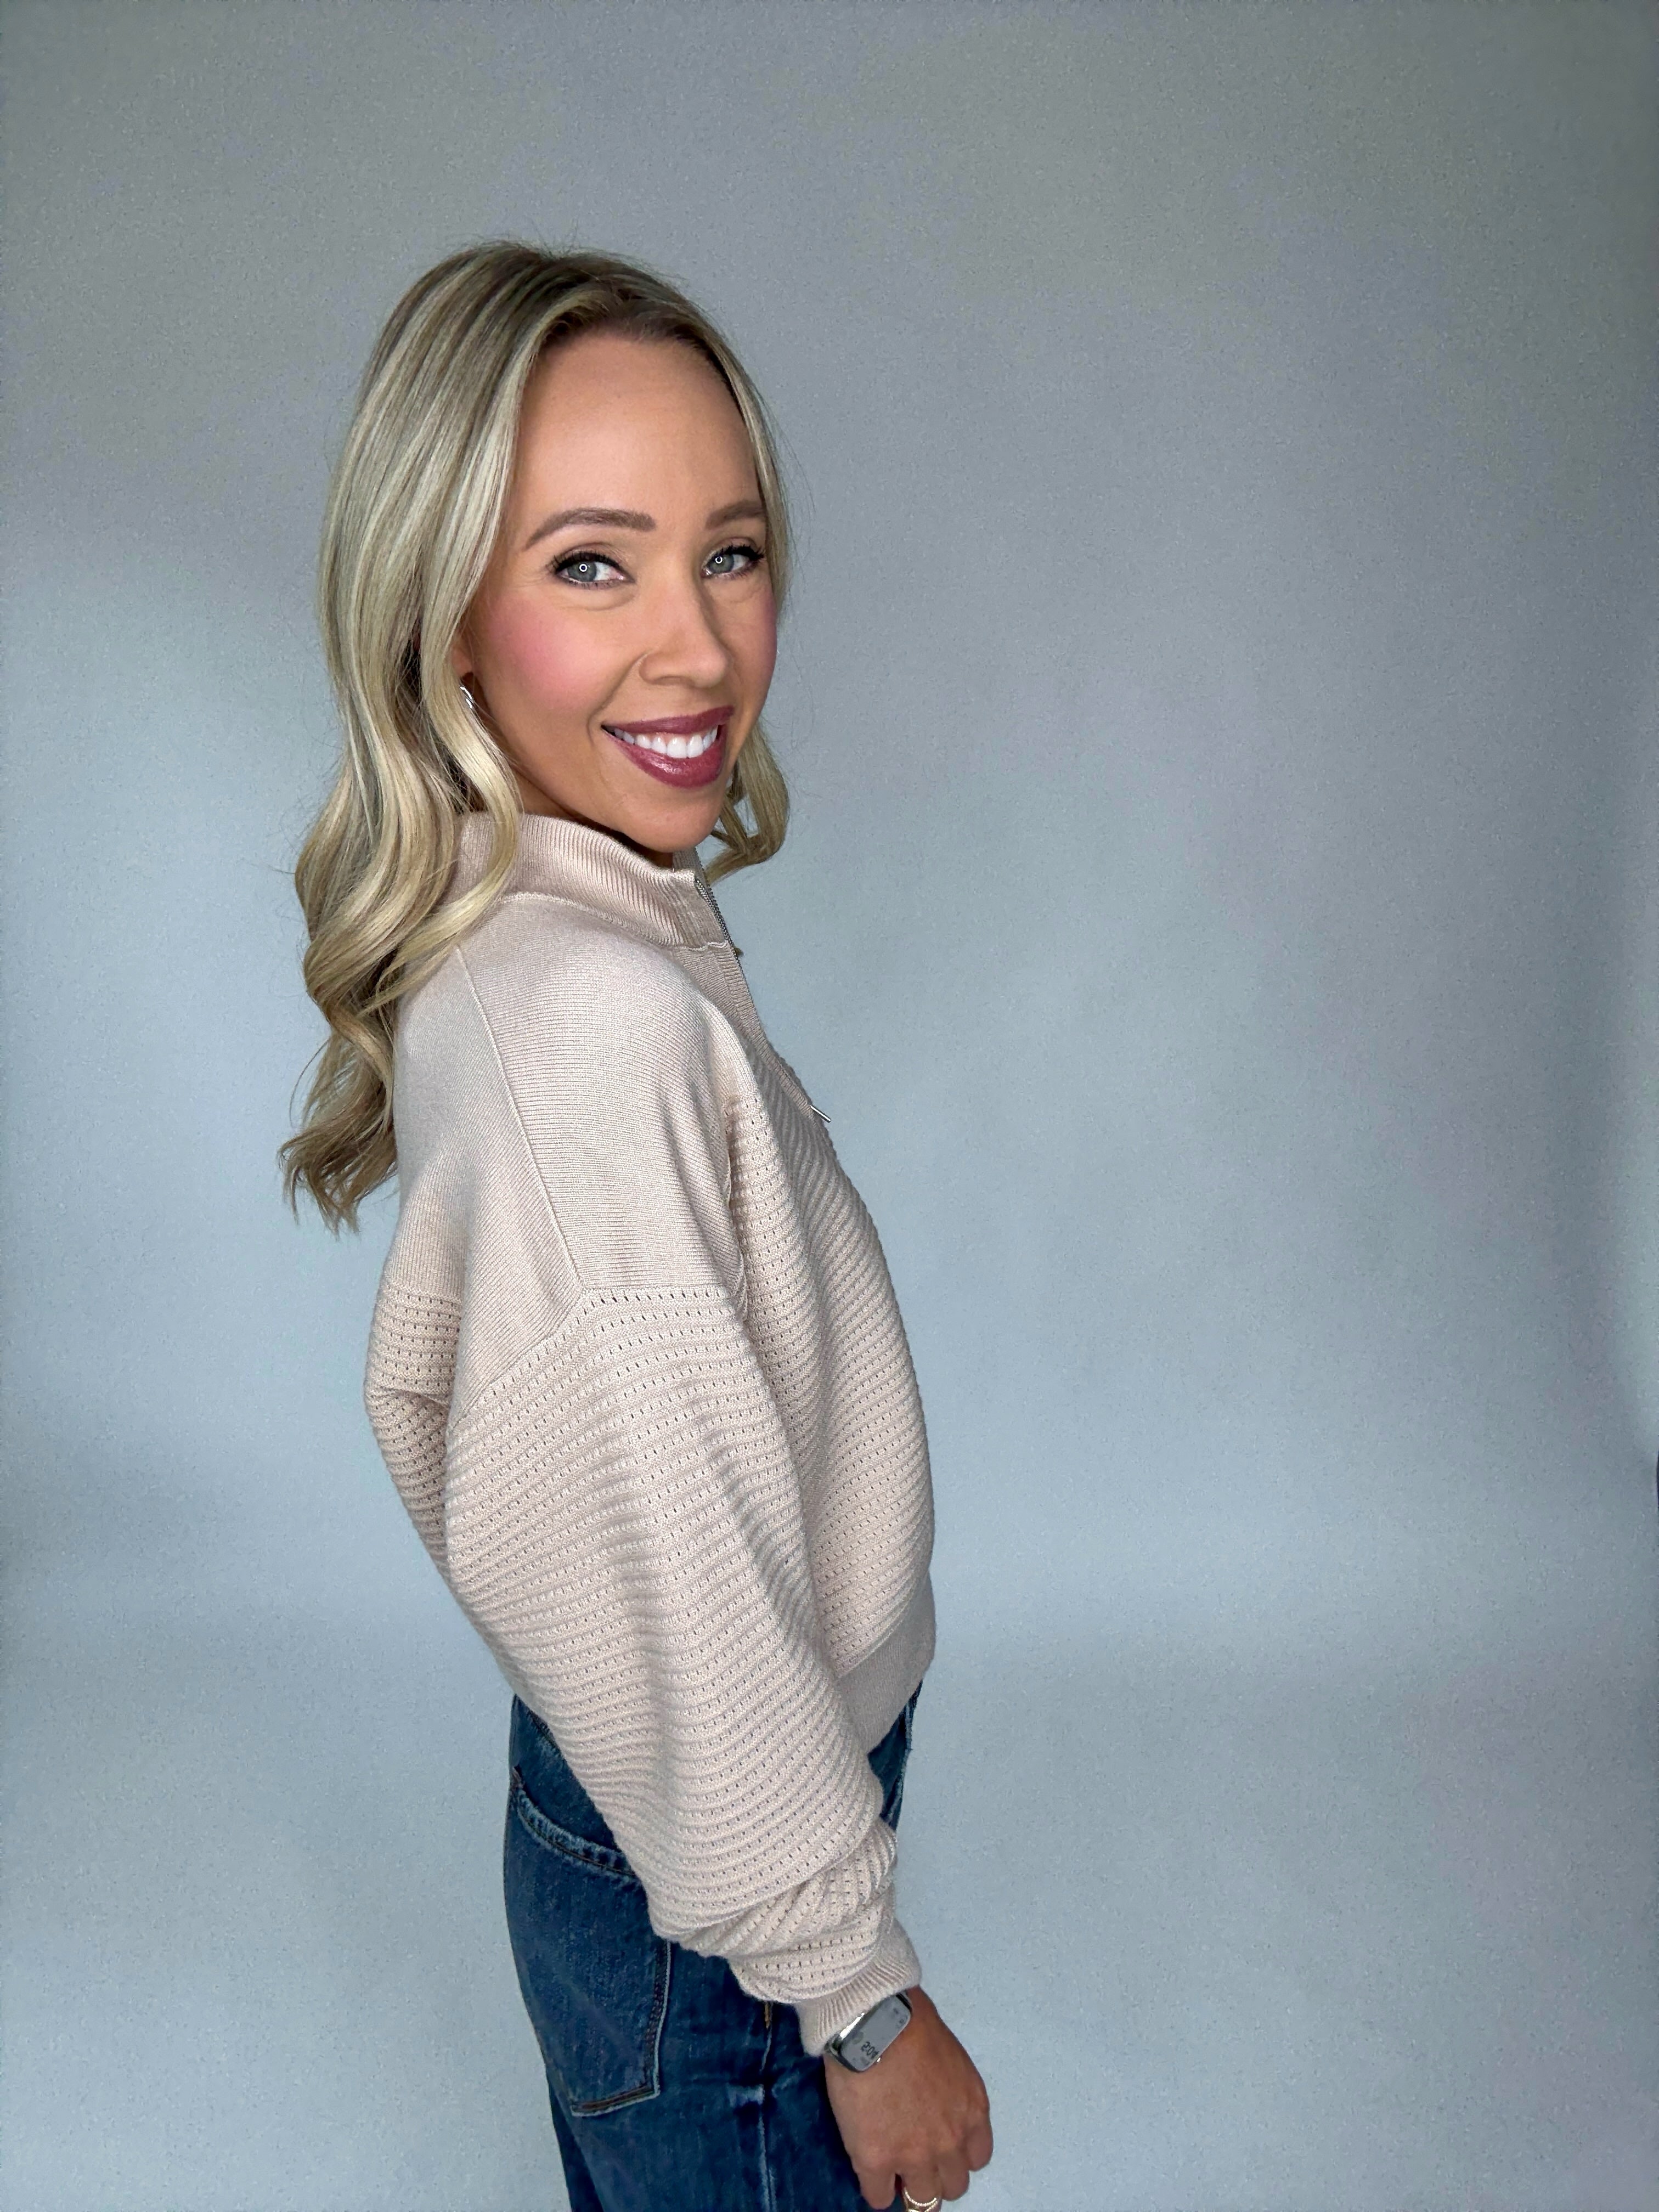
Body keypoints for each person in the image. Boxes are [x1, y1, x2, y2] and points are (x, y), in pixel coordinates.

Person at [282, 241, 993, 2212]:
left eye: (730, 553)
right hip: (733, 1917)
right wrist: (865, 2004)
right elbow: (682, 1568)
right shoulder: (585, 1028)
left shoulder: (564, 919)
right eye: (593, 564)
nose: (698, 648)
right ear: (443, 619)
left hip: (665, 1824)